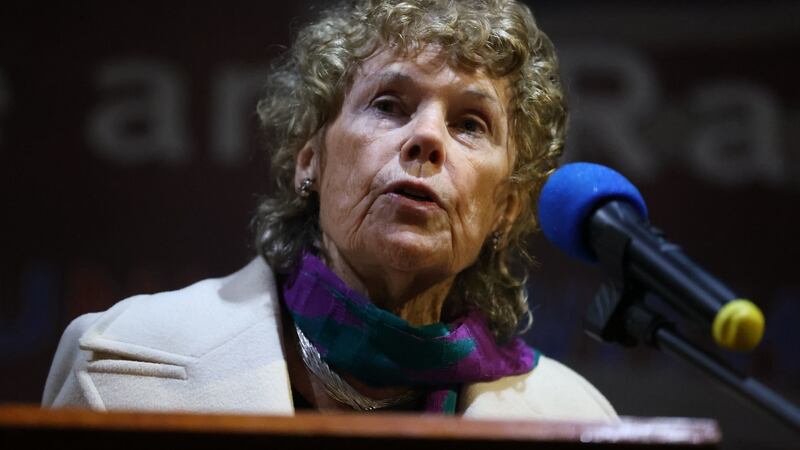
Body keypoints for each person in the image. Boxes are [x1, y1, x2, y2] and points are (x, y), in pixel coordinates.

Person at [43, 0, 617, 421]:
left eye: (470, 123)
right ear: (309, 160)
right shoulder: (124, 366)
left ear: (507, 208)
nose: (426, 139)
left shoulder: (576, 422)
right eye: (389, 105)